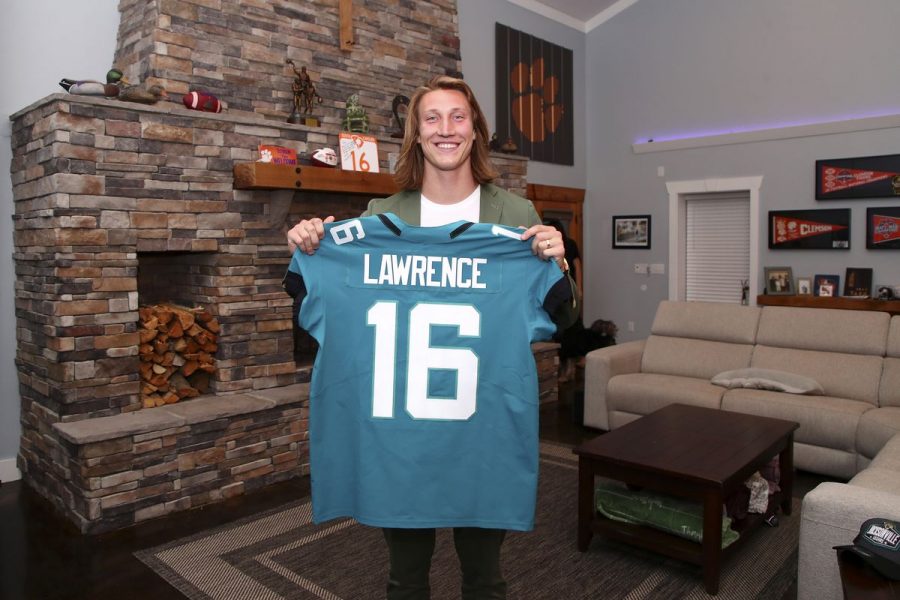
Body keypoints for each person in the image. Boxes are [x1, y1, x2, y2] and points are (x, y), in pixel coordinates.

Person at [286, 75, 579, 600]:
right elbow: (323, 300)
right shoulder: (379, 218)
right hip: (401, 439)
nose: (446, 129)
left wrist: (559, 259)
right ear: (416, 135)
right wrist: (313, 246)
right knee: (404, 580)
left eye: (458, 117)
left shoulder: (515, 216)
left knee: (485, 580)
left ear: (475, 131)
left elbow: (565, 317)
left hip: (483, 432)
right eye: (432, 118)